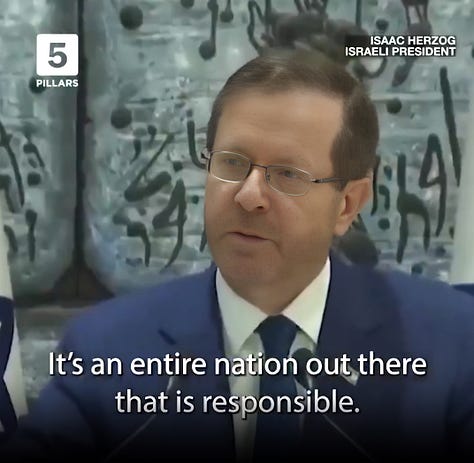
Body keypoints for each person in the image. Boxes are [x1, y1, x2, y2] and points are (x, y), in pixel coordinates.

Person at [3, 49, 474, 462]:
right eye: (232, 163)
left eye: (287, 174)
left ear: (348, 204)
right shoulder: (107, 348)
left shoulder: (451, 341)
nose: (248, 196)